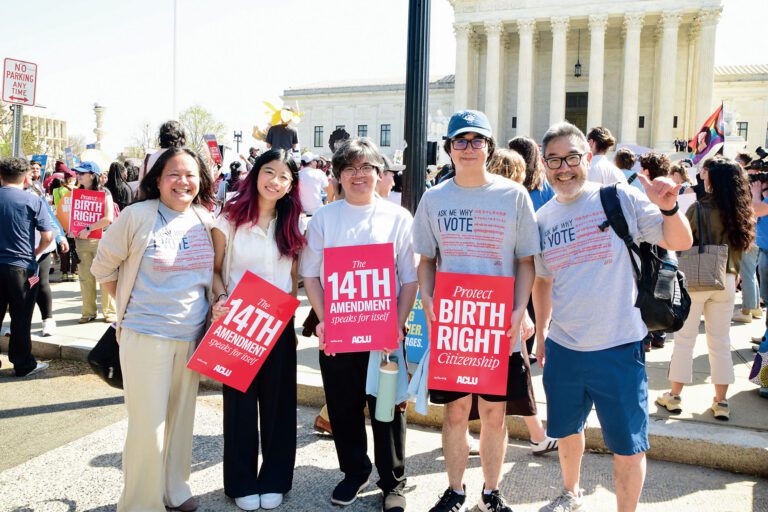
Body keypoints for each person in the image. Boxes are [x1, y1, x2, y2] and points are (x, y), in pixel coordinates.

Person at [532, 122, 692, 512]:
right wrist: (541, 335)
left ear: (587, 157)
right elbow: (543, 282)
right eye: (554, 160)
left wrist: (669, 207)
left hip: (619, 347)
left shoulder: (617, 198)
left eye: (571, 157)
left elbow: (680, 240)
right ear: (545, 164)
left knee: (628, 444)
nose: (563, 168)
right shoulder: (543, 218)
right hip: (565, 347)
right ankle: (571, 492)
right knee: (568, 431)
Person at [413, 110, 540, 512]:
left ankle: (490, 491)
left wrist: (521, 310)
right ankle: (455, 490)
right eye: (460, 141)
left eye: (477, 140)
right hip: (454, 321)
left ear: (489, 146)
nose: (469, 148)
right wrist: (429, 300)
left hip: (497, 322)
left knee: (494, 413)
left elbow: (525, 261)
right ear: (449, 148)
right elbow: (426, 260)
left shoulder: (512, 195)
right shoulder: (434, 198)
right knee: (454, 411)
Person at [91, 147, 216, 512]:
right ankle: (141, 503)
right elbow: (103, 268)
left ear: (201, 180)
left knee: (180, 420)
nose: (183, 182)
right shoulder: (137, 216)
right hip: (145, 337)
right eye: (174, 174)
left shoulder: (205, 218)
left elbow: (212, 275)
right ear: (157, 180)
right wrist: (134, 308)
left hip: (191, 338)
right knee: (149, 426)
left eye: (190, 174)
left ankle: (174, 488)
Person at [301, 137, 418, 512]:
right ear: (336, 176)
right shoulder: (323, 219)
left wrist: (397, 325)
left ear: (380, 174)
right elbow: (312, 277)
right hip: (339, 331)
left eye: (367, 167)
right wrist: (325, 320)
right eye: (349, 168)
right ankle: (355, 470)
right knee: (343, 405)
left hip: (384, 333)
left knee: (387, 407)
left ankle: (393, 480)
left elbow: (409, 279)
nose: (359, 175)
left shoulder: (398, 217)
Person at [210, 149, 306, 511]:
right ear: (255, 174)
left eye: (284, 176)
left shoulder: (294, 222)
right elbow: (217, 268)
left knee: (279, 406)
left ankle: (276, 478)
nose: (275, 181)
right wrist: (220, 298)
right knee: (240, 407)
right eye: (269, 171)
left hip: (278, 321)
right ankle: (240, 481)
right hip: (239, 322)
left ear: (291, 184)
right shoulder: (230, 217)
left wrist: (292, 322)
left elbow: (293, 277)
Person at [657, 157, 754, 422]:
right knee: (720, 342)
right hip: (726, 280)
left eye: (706, 172)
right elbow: (740, 249)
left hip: (696, 278)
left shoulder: (698, 208)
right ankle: (721, 401)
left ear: (712, 177)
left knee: (685, 339)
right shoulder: (740, 211)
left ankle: (675, 396)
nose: (702, 176)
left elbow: (681, 242)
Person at [487, 142, 559, 457]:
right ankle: (535, 433)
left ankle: (532, 432)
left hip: (486, 301)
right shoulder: (524, 202)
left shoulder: (493, 203)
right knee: (515, 370)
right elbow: (526, 261)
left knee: (498, 371)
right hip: (511, 300)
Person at [0, 157, 53, 376]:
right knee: (21, 317)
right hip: (23, 267)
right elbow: (48, 236)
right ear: (25, 177)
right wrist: (36, 252)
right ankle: (23, 363)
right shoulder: (33, 201)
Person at [71, 161, 116, 324]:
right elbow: (72, 218)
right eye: (78, 173)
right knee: (85, 278)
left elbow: (108, 218)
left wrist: (89, 227)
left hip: (101, 240)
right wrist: (73, 229)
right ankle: (88, 312)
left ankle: (109, 312)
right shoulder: (77, 193)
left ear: (92, 175)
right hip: (82, 241)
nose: (78, 176)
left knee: (105, 276)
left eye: (82, 173)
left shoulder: (105, 192)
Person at [732, 153, 761, 323]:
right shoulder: (756, 187)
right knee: (750, 272)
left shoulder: (751, 188)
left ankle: (747, 310)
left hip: (750, 233)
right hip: (754, 234)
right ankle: (755, 307)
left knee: (747, 272)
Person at [54, 168, 80, 281]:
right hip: (76, 223)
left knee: (64, 249)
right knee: (75, 247)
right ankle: (74, 272)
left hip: (62, 222)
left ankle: (64, 273)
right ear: (74, 178)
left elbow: (57, 207)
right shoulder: (80, 190)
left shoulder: (57, 191)